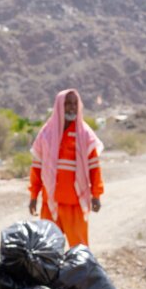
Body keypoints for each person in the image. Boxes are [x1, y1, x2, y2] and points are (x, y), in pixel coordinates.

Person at [28, 89, 104, 248]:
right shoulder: (46, 133)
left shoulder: (85, 134)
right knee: (48, 249)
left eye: (75, 104)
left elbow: (94, 168)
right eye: (67, 104)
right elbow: (37, 168)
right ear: (59, 106)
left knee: (79, 250)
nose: (72, 108)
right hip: (50, 203)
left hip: (75, 204)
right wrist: (33, 196)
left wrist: (96, 194)